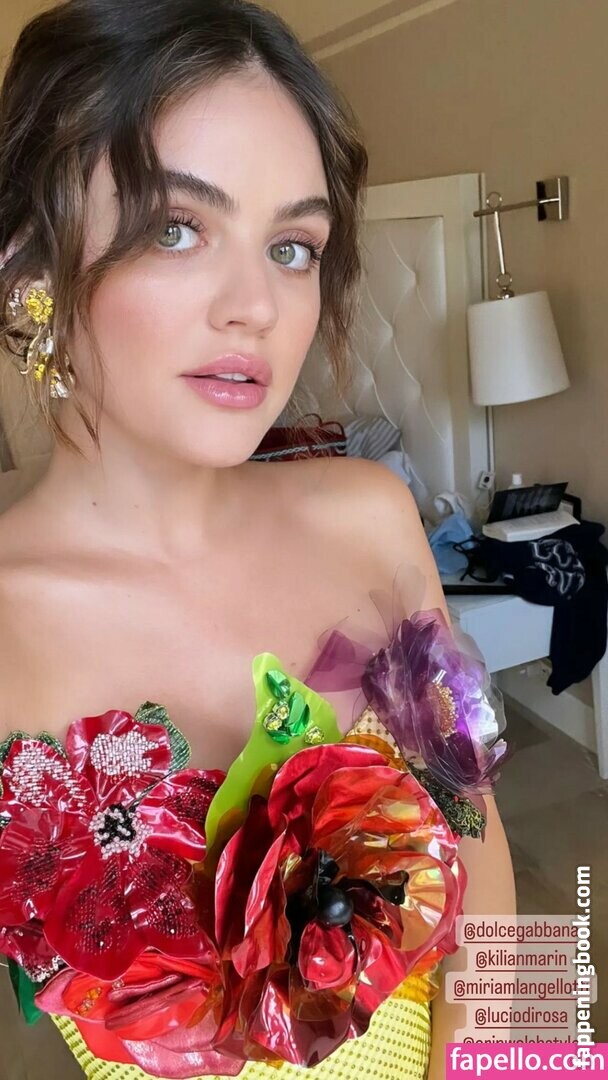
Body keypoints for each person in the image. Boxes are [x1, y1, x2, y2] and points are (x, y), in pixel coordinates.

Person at [0, 2, 515, 1078]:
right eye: (175, 228)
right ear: (27, 264)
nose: (257, 307)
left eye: (291, 247)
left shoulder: (368, 514)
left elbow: (487, 861)